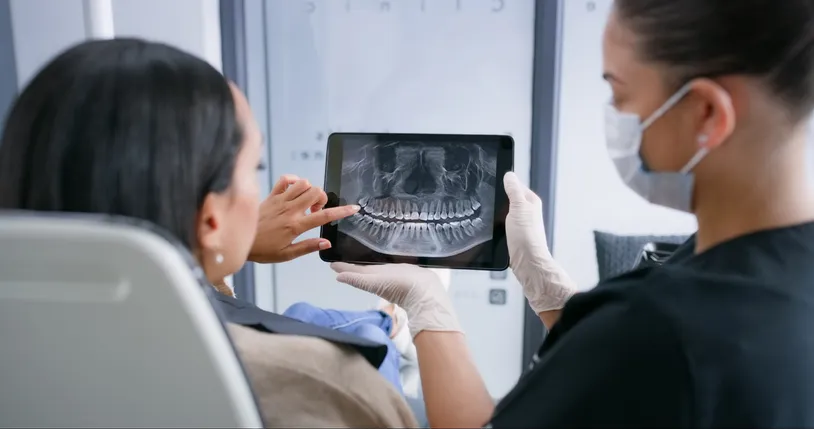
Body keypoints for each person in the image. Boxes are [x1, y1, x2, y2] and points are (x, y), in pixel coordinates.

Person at [331, 0, 814, 427]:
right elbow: (628, 377)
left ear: (706, 113)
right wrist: (548, 286)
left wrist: (425, 301)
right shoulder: (758, 277)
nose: (614, 113)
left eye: (620, 94)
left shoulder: (665, 327)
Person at [0, 38, 418, 427]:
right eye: (254, 168)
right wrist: (432, 308)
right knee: (358, 338)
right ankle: (391, 323)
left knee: (307, 316)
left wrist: (209, 250)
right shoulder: (329, 381)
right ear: (211, 218)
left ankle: (385, 320)